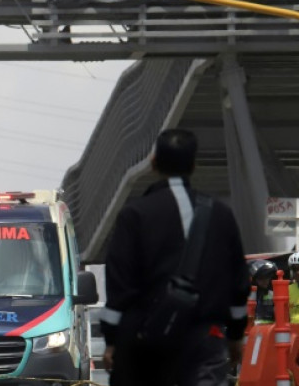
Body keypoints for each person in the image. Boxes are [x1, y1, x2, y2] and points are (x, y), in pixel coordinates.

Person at [100, 128, 250, 386]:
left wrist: (111, 340)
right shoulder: (221, 215)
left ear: (153, 163)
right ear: (193, 165)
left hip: (144, 345)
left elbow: (119, 286)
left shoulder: (134, 215)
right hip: (204, 342)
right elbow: (238, 284)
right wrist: (236, 336)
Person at [249, 260, 277, 325]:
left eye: (267, 277)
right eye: (261, 278)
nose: (265, 281)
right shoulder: (249, 296)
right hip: (253, 329)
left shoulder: (272, 295)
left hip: (270, 329)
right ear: (254, 279)